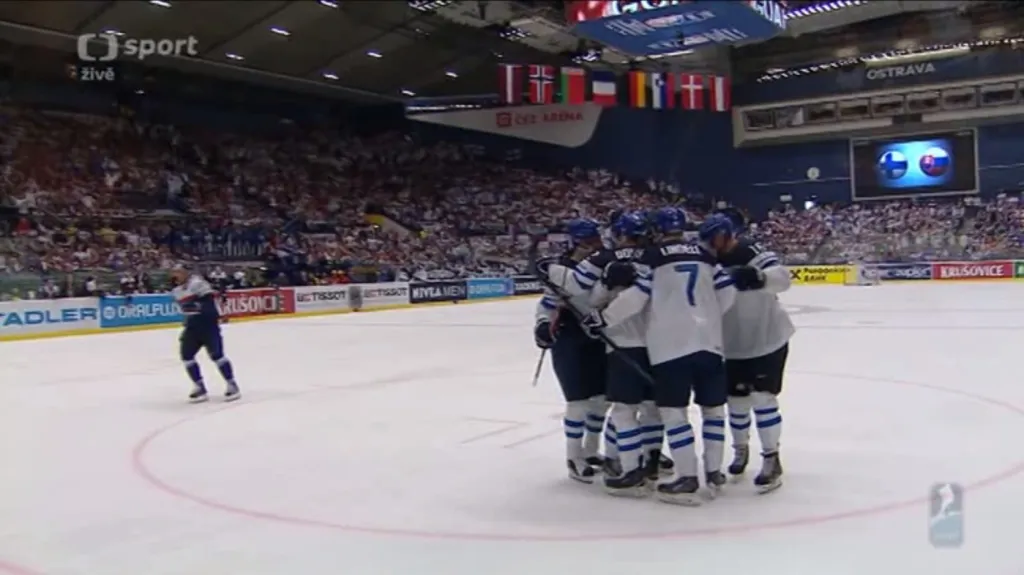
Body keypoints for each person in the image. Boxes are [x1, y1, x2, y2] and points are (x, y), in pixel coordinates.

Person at [582, 207, 736, 505]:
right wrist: (708, 317)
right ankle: (714, 472)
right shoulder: (706, 255)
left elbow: (637, 297)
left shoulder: (653, 256)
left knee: (674, 413)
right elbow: (727, 292)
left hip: (671, 347)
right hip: (711, 344)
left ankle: (687, 478)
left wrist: (604, 318)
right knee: (714, 411)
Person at [586, 211, 673, 496]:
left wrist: (607, 285)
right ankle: (651, 461)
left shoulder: (609, 261)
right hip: (659, 345)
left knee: (624, 411)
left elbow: (594, 303)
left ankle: (630, 468)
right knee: (652, 409)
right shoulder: (658, 258)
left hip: (623, 344)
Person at [710, 208, 792, 493]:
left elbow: (783, 278)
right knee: (736, 401)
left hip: (766, 339)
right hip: (731, 344)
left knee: (763, 398)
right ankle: (740, 449)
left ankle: (771, 457)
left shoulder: (752, 252)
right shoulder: (706, 258)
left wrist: (759, 278)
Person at [534, 219, 612, 483]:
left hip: (598, 339)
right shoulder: (560, 270)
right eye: (588, 242)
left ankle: (591, 450)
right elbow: (547, 304)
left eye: (595, 240)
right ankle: (573, 457)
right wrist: (543, 325)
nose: (594, 246)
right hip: (570, 340)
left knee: (601, 400)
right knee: (578, 403)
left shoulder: (601, 265)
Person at [171, 264, 241, 403]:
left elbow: (209, 301)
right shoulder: (177, 291)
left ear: (186, 273)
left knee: (217, 355)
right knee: (187, 356)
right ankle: (199, 386)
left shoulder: (198, 284)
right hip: (192, 327)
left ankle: (231, 383)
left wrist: (199, 308)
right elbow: (185, 309)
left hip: (208, 325)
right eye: (174, 272)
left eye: (178, 272)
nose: (175, 275)